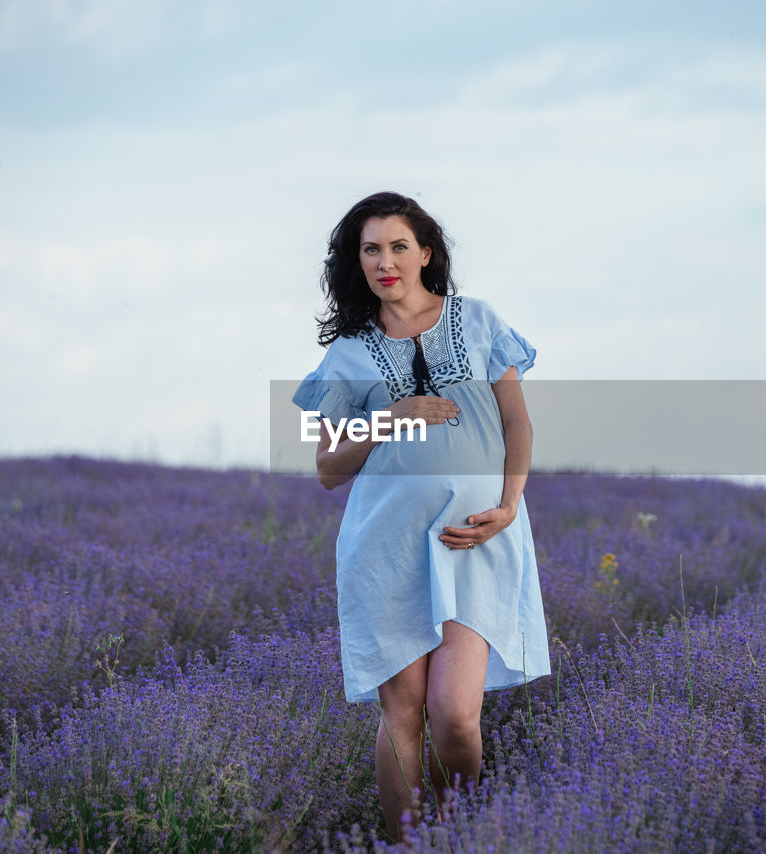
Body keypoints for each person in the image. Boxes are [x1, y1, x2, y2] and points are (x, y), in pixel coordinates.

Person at [291, 191, 551, 839]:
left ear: (426, 253)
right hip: (386, 550)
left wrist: (509, 506)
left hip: (478, 540)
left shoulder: (481, 322)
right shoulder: (348, 354)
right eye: (371, 249)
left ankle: (458, 834)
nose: (386, 261)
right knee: (403, 714)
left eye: (398, 246)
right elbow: (328, 468)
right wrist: (388, 419)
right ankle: (410, 843)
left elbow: (517, 423)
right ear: (357, 262)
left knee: (455, 714)